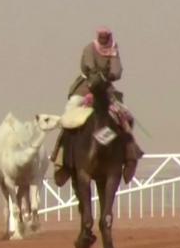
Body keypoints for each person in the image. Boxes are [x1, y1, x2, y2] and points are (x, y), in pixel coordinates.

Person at [50, 27, 144, 185]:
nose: (103, 39)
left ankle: (130, 155)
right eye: (101, 36)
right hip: (85, 87)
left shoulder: (113, 49)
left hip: (107, 89)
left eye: (105, 37)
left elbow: (116, 69)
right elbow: (88, 66)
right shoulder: (89, 48)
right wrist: (96, 75)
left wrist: (110, 75)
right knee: (68, 116)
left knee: (124, 116)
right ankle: (60, 157)